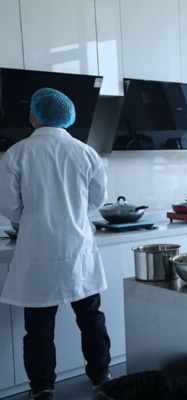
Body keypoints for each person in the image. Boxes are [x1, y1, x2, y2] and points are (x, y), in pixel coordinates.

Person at [0, 88, 111, 400]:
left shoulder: (17, 153)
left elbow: (8, 206)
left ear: (34, 116)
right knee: (91, 320)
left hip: (38, 251)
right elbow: (97, 200)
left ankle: (42, 389)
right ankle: (102, 379)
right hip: (78, 249)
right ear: (68, 117)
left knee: (38, 328)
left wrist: (35, 217)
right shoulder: (86, 152)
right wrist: (71, 214)